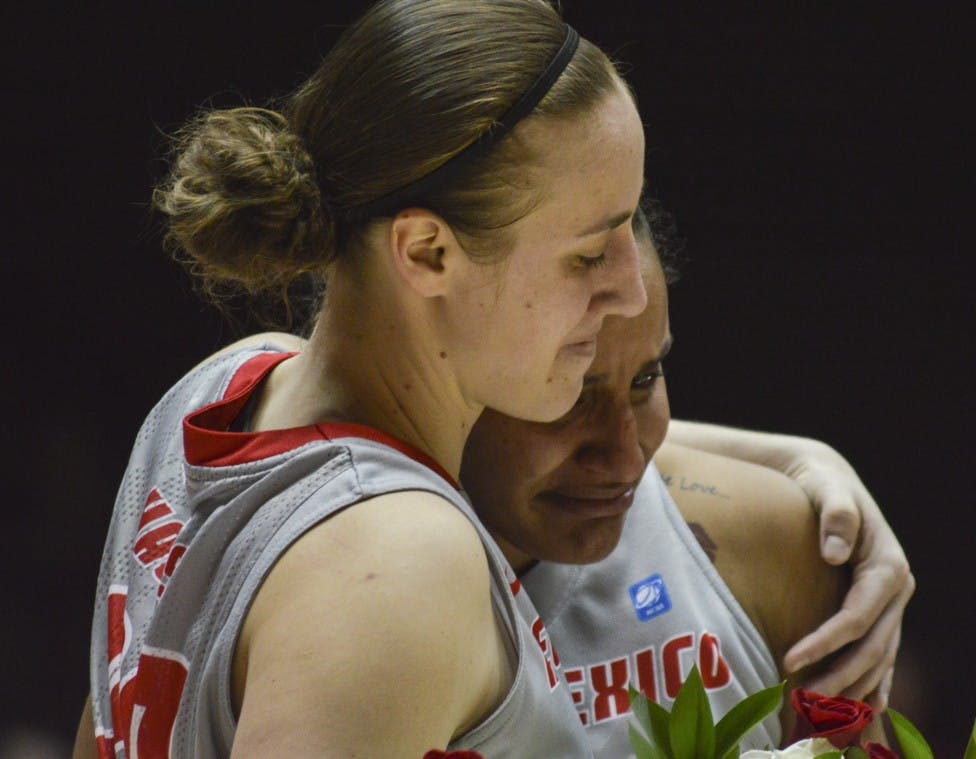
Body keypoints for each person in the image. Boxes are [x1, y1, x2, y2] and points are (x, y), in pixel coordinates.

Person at [77, 1, 652, 756]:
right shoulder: (400, 560)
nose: (630, 291)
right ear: (427, 253)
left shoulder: (223, 386)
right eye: (589, 254)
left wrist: (792, 466)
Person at [459, 201, 908, 754]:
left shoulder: (773, 535)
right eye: (571, 394)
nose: (625, 459)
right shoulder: (373, 583)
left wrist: (801, 458)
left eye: (646, 378)